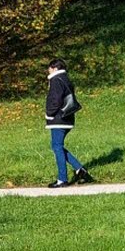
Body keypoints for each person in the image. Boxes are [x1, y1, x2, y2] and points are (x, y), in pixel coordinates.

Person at [45, 59, 94, 188]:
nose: (48, 70)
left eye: (49, 68)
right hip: (68, 118)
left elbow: (55, 100)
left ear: (55, 68)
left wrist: (49, 114)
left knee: (56, 147)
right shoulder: (66, 78)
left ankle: (62, 179)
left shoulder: (56, 80)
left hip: (58, 119)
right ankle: (80, 170)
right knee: (58, 146)